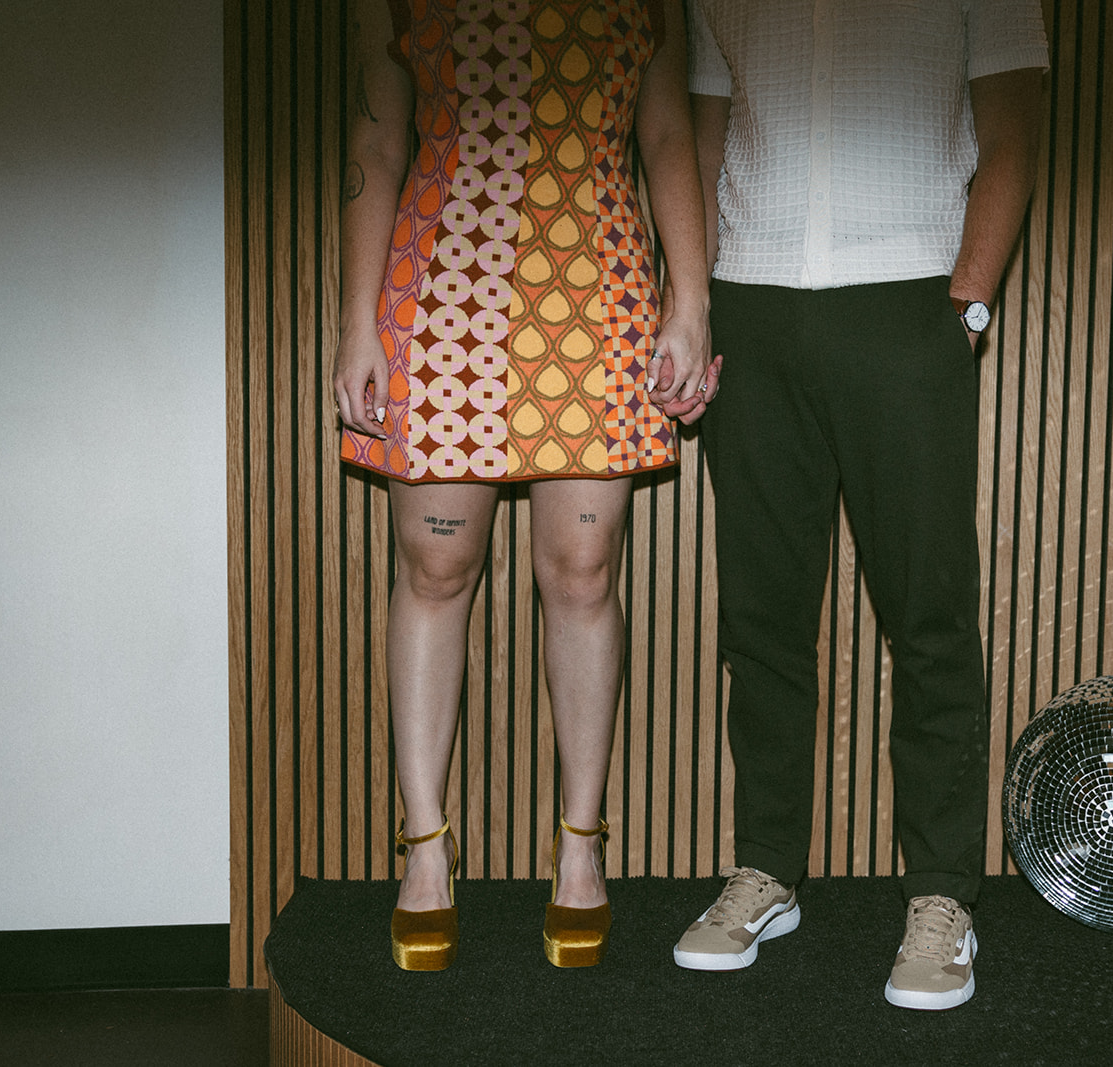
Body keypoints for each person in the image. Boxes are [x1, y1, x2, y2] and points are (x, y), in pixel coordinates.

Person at [673, 0, 1048, 1010]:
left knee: (929, 621)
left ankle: (941, 897)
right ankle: (765, 870)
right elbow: (704, 139)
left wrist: (964, 308)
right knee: (761, 619)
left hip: (909, 306)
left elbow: (1013, 132)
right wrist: (697, 301)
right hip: (749, 309)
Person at [333, 0, 717, 972]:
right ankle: (425, 848)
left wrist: (690, 297)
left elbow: (667, 130)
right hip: (437, 288)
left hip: (595, 281)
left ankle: (580, 845)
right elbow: (376, 138)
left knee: (583, 571)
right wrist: (355, 323)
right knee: (435, 565)